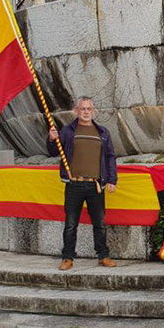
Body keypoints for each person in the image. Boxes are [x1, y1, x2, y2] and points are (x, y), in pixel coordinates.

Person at [48, 97, 118, 270]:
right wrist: (52, 139)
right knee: (71, 224)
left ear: (93, 111)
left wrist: (112, 179)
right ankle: (67, 257)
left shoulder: (102, 132)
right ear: (76, 110)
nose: (86, 112)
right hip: (74, 184)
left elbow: (110, 157)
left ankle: (103, 256)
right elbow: (54, 152)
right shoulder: (68, 131)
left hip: (95, 185)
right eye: (83, 109)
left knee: (99, 224)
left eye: (89, 109)